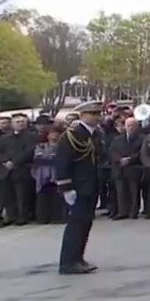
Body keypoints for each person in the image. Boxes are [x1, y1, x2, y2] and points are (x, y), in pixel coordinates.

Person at [55, 102, 105, 274]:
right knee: (75, 226)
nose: (98, 116)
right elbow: (62, 163)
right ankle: (68, 262)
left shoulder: (94, 134)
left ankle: (78, 258)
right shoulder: (71, 135)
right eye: (93, 113)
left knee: (85, 224)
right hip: (77, 187)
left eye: (99, 113)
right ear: (82, 115)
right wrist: (66, 188)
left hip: (90, 185)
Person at [0, 112, 36, 225]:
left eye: (23, 121)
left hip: (22, 169)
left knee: (22, 195)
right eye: (18, 122)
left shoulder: (31, 136)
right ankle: (11, 216)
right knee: (7, 195)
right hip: (5, 170)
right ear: (12, 124)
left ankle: (22, 217)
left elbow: (29, 151)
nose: (20, 124)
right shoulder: (4, 137)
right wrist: (5, 161)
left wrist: (14, 162)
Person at [110, 117, 144, 219]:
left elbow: (141, 152)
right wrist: (120, 159)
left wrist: (130, 159)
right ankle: (122, 212)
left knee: (134, 191)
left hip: (133, 168)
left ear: (137, 127)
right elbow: (112, 151)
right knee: (121, 191)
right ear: (125, 126)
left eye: (133, 125)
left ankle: (133, 212)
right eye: (128, 125)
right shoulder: (117, 139)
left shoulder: (142, 139)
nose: (130, 128)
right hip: (120, 168)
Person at [32, 124, 64, 224]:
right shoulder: (41, 146)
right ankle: (42, 217)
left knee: (57, 196)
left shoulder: (63, 146)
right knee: (43, 197)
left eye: (57, 133)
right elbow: (38, 157)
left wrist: (49, 156)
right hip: (43, 175)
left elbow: (61, 158)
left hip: (58, 173)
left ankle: (57, 217)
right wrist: (50, 156)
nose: (54, 136)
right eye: (52, 133)